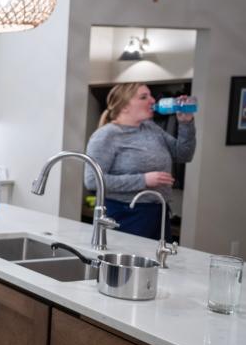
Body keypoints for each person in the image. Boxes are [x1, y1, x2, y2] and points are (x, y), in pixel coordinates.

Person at [84, 83, 196, 240]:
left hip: (158, 213)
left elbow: (184, 155)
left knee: (158, 264)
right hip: (124, 215)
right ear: (124, 107)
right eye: (144, 97)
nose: (152, 100)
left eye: (150, 96)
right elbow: (92, 181)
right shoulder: (106, 135)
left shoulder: (151, 128)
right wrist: (143, 180)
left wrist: (186, 123)